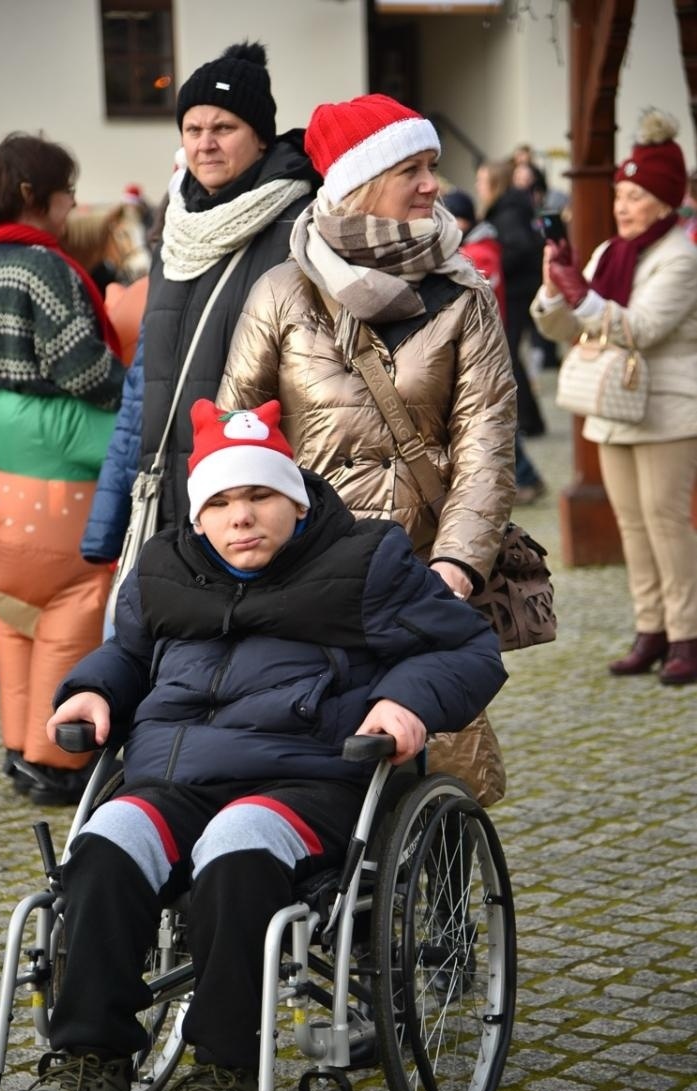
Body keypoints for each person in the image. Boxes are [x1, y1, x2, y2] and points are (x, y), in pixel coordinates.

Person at [1, 398, 507, 1091]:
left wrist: (403, 702)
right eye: (222, 502)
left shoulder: (366, 561)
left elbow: (466, 649)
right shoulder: (165, 566)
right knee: (104, 842)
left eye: (261, 496)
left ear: (295, 502)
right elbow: (130, 655)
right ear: (200, 515)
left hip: (304, 781)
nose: (242, 517)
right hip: (172, 778)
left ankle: (226, 1075)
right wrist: (92, 689)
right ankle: (88, 1067)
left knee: (238, 847)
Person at [216, 94, 517, 808]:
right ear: (359, 184)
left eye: (431, 167)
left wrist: (456, 566)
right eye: (410, 168)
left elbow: (486, 437)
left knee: (436, 760)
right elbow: (237, 433)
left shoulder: (462, 294)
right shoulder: (282, 292)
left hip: (420, 570)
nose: (429, 185)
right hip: (306, 569)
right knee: (312, 760)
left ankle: (436, 899)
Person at [80, 40, 319, 568]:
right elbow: (145, 379)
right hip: (170, 494)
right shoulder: (176, 230)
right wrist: (108, 516)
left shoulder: (299, 226)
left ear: (260, 137)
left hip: (251, 507)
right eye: (193, 130)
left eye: (224, 128)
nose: (205, 144)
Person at [0, 133, 125, 803]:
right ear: (35, 196)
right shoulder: (41, 266)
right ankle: (60, 758)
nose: (72, 206)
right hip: (59, 474)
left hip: (1, 479)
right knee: (71, 612)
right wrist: (133, 388)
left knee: (14, 628)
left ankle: (17, 748)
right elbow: (80, 366)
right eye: (66, 194)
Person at [531, 108, 697, 686]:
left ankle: (686, 635)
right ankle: (649, 629)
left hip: (668, 409)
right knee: (632, 522)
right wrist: (557, 285)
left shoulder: (679, 257)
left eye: (635, 195)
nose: (622, 205)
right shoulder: (610, 253)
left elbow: (641, 328)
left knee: (666, 522)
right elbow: (564, 329)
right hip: (615, 405)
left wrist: (584, 297)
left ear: (664, 200)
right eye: (620, 194)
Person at [443, 187, 546, 505]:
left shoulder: (478, 252)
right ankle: (523, 478)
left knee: (496, 422)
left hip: (485, 345)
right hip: (486, 341)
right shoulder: (478, 246)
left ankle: (527, 478)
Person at [475, 158, 546, 436]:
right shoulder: (509, 207)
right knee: (511, 354)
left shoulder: (507, 212)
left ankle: (528, 421)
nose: (478, 186)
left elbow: (519, 249)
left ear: (495, 183)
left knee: (509, 354)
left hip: (515, 292)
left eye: (482, 181)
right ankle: (530, 420)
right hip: (519, 289)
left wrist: (494, 266)